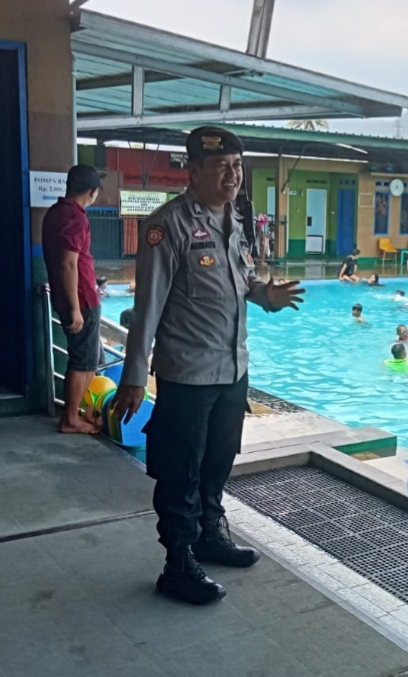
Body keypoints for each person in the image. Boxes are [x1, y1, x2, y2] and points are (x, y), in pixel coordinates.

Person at [111, 127, 305, 606]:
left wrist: (265, 295)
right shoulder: (168, 226)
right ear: (193, 171)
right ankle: (177, 563)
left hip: (232, 370)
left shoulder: (234, 220)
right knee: (181, 471)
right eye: (221, 167)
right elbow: (147, 308)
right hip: (188, 375)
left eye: (237, 166)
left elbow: (243, 280)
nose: (232, 176)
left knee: (218, 461)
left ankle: (209, 535)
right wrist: (133, 377)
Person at [42, 164, 104, 435]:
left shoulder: (55, 212)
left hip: (71, 296)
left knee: (89, 357)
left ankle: (78, 412)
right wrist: (76, 307)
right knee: (83, 361)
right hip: (81, 300)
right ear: (92, 192)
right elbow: (68, 264)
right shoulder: (75, 217)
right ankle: (70, 418)